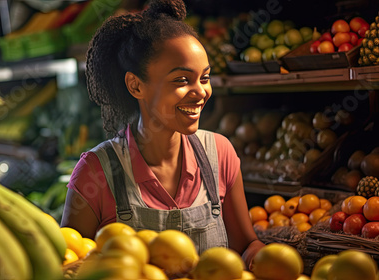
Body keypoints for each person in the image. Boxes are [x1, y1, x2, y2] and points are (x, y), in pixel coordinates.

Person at [61, 0, 264, 268]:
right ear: (136, 86)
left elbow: (246, 246)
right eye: (181, 80)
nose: (201, 92)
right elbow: (71, 262)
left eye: (204, 78)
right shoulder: (95, 173)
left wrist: (262, 258)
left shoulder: (220, 153)